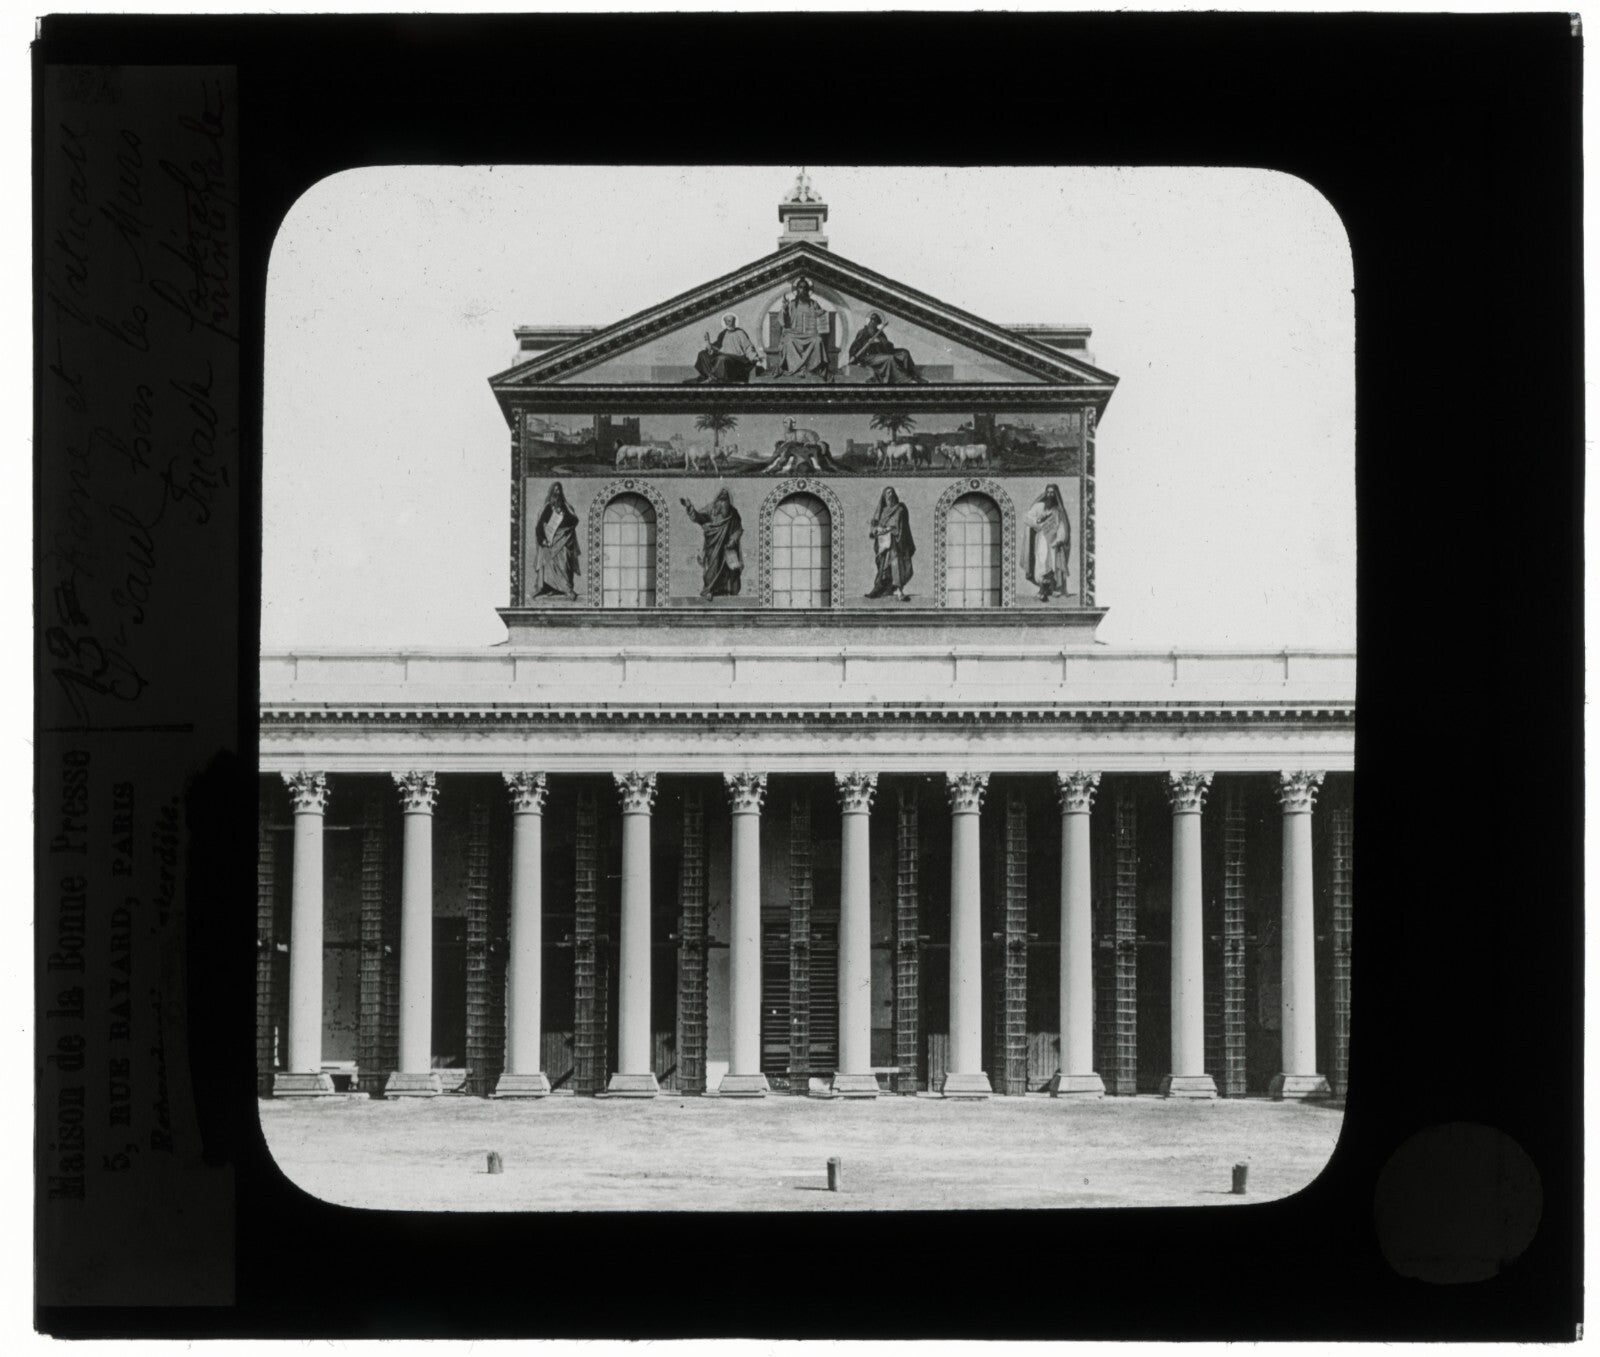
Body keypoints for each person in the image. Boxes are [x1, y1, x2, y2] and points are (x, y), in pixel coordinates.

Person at [681, 488, 744, 597]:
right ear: (717, 499)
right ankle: (709, 589)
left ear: (729, 501)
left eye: (725, 500)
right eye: (721, 500)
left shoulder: (733, 513)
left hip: (727, 547)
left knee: (729, 568)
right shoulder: (710, 508)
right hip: (712, 544)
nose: (723, 503)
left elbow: (738, 529)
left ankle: (726, 591)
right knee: (712, 566)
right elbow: (699, 517)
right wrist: (690, 508)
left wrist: (733, 540)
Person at [773, 276, 832, 380]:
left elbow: (821, 319)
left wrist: (822, 314)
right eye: (800, 287)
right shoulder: (791, 304)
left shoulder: (813, 304)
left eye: (805, 288)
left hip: (810, 334)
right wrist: (785, 309)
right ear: (797, 289)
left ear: (808, 290)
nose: (803, 290)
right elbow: (783, 322)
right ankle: (796, 369)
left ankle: (813, 369)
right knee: (788, 340)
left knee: (818, 340)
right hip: (795, 334)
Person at [865, 487, 915, 600]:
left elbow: (899, 524)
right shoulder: (882, 511)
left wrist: (888, 529)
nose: (890, 495)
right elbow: (875, 525)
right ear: (884, 496)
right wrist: (876, 529)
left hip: (895, 542)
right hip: (883, 542)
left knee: (896, 564)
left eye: (891, 492)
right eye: (887, 493)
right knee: (883, 566)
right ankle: (883, 588)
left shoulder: (899, 509)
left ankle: (899, 591)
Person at [532, 482, 580, 600]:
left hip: (563, 541)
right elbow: (539, 526)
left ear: (561, 492)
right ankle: (550, 588)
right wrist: (543, 540)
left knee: (564, 563)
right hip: (550, 542)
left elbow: (574, 521)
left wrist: (563, 518)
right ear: (551, 492)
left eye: (558, 490)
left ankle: (566, 588)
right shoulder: (547, 508)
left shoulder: (566, 507)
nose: (556, 493)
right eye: (554, 490)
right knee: (548, 563)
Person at [1024, 483, 1072, 601]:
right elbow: (1027, 518)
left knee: (1052, 564)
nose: (1050, 495)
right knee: (1042, 561)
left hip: (1053, 541)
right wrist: (1038, 521)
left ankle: (1049, 589)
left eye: (1052, 493)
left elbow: (1062, 526)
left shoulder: (1058, 510)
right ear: (1045, 493)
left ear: (1055, 494)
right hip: (1041, 539)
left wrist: (1059, 539)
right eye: (1048, 492)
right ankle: (1042, 588)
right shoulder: (1039, 506)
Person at [848, 310, 922, 385]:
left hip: (881, 353)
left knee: (904, 353)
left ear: (877, 323)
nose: (872, 322)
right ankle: (904, 380)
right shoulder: (863, 332)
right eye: (871, 320)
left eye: (875, 321)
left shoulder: (879, 333)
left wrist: (880, 341)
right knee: (889, 358)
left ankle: (911, 375)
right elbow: (855, 346)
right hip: (868, 357)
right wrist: (854, 356)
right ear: (869, 321)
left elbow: (888, 346)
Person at [687, 313, 763, 385]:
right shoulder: (723, 333)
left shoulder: (740, 333)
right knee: (702, 354)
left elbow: (748, 347)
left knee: (722, 359)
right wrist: (710, 347)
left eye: (731, 321)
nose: (730, 323)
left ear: (734, 322)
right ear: (725, 322)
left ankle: (714, 378)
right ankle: (708, 376)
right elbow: (717, 346)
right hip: (722, 355)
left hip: (736, 359)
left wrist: (754, 356)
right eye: (728, 321)